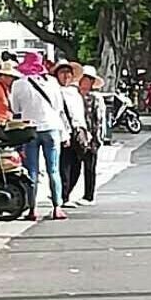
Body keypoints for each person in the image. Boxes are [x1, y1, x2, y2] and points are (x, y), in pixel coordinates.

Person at [11, 51, 67, 220]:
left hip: (30, 130)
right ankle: (57, 208)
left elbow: (16, 109)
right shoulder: (52, 82)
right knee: (54, 169)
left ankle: (32, 209)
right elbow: (58, 107)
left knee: (32, 171)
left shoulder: (19, 84)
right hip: (52, 128)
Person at [55, 60, 88, 209]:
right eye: (62, 73)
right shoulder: (55, 91)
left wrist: (85, 131)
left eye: (68, 73)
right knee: (65, 165)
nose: (66, 76)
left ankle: (67, 193)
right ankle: (63, 195)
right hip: (64, 133)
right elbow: (58, 114)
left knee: (77, 165)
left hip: (78, 132)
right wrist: (64, 134)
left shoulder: (75, 93)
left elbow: (80, 114)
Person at [75, 65, 107, 206]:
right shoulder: (73, 95)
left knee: (89, 167)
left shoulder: (95, 98)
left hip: (92, 136)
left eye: (88, 80)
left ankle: (89, 195)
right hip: (77, 135)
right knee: (74, 166)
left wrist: (98, 138)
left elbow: (99, 119)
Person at [0, 60, 21, 127]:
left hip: (6, 121)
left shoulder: (6, 87)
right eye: (12, 77)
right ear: (4, 76)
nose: (13, 80)